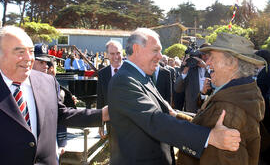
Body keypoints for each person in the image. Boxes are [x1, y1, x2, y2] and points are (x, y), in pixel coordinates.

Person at [108, 28, 241, 165]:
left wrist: (207, 122)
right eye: (155, 50)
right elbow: (156, 120)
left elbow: (168, 114)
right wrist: (210, 137)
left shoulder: (140, 76)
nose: (160, 56)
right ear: (136, 49)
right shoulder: (124, 81)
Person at [0, 25, 109, 165]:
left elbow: (61, 114)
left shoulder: (47, 82)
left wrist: (103, 114)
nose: (29, 58)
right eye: (20, 52)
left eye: (31, 51)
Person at [176, 33, 265, 165]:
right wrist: (177, 116)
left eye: (212, 57)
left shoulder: (228, 110)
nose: (207, 62)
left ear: (231, 63)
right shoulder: (237, 96)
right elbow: (207, 126)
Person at [174, 44, 212, 113]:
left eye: (207, 54)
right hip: (192, 110)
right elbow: (177, 88)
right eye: (202, 54)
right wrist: (185, 69)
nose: (204, 57)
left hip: (209, 109)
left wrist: (207, 67)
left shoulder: (214, 69)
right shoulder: (190, 69)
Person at [97, 40, 123, 139]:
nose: (116, 57)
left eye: (118, 53)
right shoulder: (102, 74)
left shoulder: (131, 71)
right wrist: (100, 123)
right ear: (107, 55)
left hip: (130, 122)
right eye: (112, 54)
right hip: (110, 122)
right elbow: (100, 99)